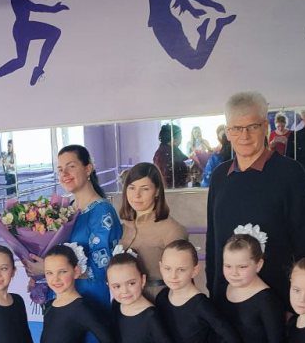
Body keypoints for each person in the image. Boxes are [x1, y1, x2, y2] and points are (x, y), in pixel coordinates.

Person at [207, 91, 305, 302]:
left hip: (277, 300)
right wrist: (213, 292)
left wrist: (298, 305)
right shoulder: (219, 176)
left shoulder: (290, 173)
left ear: (265, 127)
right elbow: (213, 242)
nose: (244, 136)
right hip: (225, 301)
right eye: (236, 129)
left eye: (252, 127)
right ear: (228, 132)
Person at [24, 144, 122, 312]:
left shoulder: (102, 211)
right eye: (60, 169)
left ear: (88, 168)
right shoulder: (66, 210)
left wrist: (49, 269)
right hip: (60, 297)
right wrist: (40, 273)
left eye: (71, 166)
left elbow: (102, 267)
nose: (64, 174)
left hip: (88, 301)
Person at [118, 162, 188, 298]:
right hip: (126, 300)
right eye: (131, 188)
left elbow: (183, 279)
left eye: (144, 189)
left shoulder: (172, 230)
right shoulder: (123, 227)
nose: (136, 195)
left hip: (160, 299)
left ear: (156, 191)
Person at [153, 123, 191, 189]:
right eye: (180, 136)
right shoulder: (165, 154)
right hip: (172, 190)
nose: (181, 138)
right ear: (174, 139)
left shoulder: (171, 151)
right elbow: (166, 177)